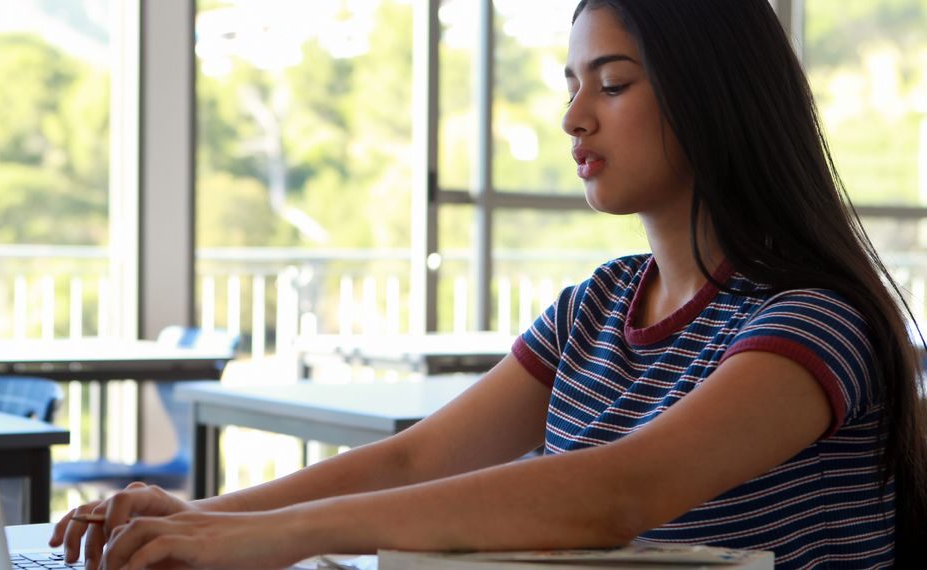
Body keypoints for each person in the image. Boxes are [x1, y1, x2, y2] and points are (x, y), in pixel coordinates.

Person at [51, 0, 927, 567]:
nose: (573, 117)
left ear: (714, 100)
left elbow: (617, 494)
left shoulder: (815, 321)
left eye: (612, 84)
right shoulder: (596, 307)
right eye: (571, 84)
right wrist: (194, 517)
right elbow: (414, 457)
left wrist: (264, 539)